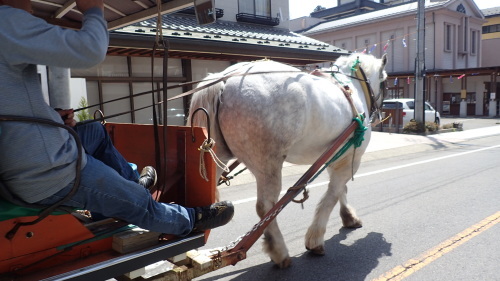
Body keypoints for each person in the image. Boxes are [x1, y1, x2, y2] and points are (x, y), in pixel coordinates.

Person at [0, 0, 234, 236]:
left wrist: (52, 117)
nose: (30, 6)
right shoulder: (6, 20)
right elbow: (89, 50)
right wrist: (93, 9)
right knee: (138, 203)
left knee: (94, 131)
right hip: (46, 170)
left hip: (23, 158)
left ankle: (131, 183)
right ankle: (189, 219)